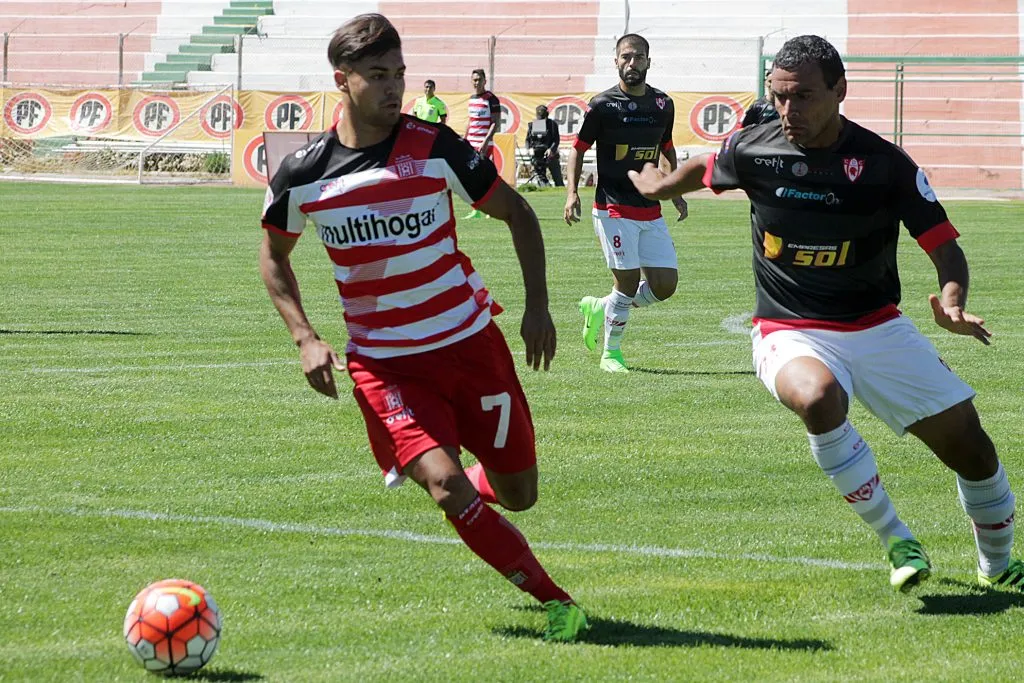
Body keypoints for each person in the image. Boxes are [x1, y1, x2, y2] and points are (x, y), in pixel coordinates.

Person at [629, 34, 1022, 593]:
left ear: (840, 91)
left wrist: (953, 301)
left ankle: (999, 565)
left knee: (973, 451)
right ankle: (897, 539)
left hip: (876, 326)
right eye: (780, 96)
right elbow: (705, 165)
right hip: (787, 327)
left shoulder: (884, 164)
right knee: (816, 397)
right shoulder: (755, 149)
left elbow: (943, 245)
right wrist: (660, 185)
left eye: (805, 97)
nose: (790, 111)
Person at [259, 13, 588, 641]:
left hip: (470, 347)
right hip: (385, 366)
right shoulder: (304, 173)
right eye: (378, 76)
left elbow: (518, 213)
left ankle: (479, 492)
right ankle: (556, 601)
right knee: (442, 484)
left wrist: (537, 306)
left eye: (399, 74)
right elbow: (273, 256)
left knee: (520, 493)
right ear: (343, 80)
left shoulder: (435, 147)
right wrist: (305, 336)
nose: (394, 88)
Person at [563, 33, 688, 373]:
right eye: (626, 57)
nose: (632, 63)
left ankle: (600, 307)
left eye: (639, 57)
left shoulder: (663, 104)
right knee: (628, 281)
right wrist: (572, 192)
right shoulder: (602, 105)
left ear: (649, 60)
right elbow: (577, 149)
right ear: (616, 61)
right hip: (612, 208)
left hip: (650, 208)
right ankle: (611, 354)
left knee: (665, 286)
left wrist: (674, 187)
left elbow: (667, 148)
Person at [462, 68, 501, 219]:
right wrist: (464, 139)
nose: (476, 83)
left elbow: (495, 122)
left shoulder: (491, 99)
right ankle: (477, 208)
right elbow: (470, 122)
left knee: (481, 174)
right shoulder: (471, 99)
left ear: (485, 81)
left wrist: (485, 141)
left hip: (484, 142)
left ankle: (490, 207)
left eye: (479, 80)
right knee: (472, 176)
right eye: (474, 80)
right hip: (471, 142)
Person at [526, 104, 563, 187]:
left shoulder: (552, 125)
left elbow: (556, 140)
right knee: (542, 178)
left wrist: (551, 149)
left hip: (551, 155)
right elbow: (528, 140)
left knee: (558, 180)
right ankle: (545, 186)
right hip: (538, 156)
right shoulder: (533, 125)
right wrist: (529, 149)